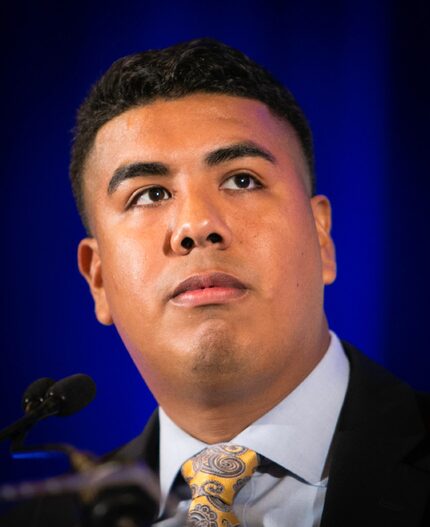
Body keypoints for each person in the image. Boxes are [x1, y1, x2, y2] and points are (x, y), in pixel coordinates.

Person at [2, 38, 429, 526]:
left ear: (321, 238)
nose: (196, 225)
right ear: (98, 279)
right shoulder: (35, 515)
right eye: (150, 194)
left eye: (241, 180)